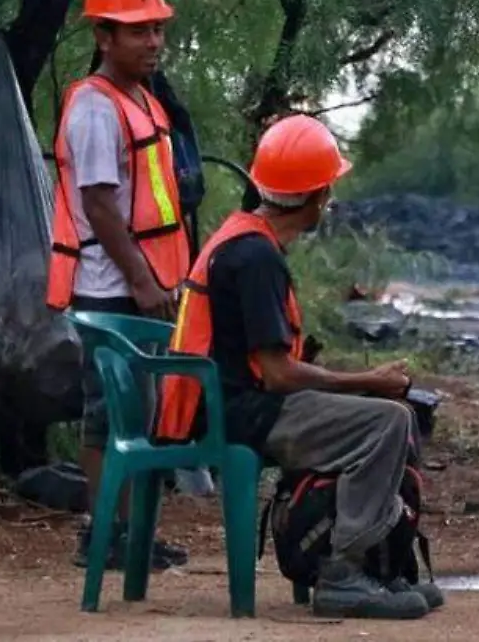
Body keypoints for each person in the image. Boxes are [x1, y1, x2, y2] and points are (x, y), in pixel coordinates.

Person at [153, 114, 443, 620]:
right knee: (390, 419)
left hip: (233, 401)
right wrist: (367, 383)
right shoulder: (258, 259)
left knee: (383, 410)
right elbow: (278, 374)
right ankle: (345, 571)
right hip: (243, 413)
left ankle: (380, 562)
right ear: (318, 197)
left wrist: (358, 389)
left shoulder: (242, 238)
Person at [46, 0, 192, 570]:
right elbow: (100, 207)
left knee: (139, 414)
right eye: (138, 30)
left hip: (147, 285)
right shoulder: (96, 107)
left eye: (157, 28)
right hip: (113, 289)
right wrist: (141, 280)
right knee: (108, 416)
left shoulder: (141, 99)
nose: (153, 41)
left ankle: (130, 532)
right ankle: (101, 534)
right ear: (103, 37)